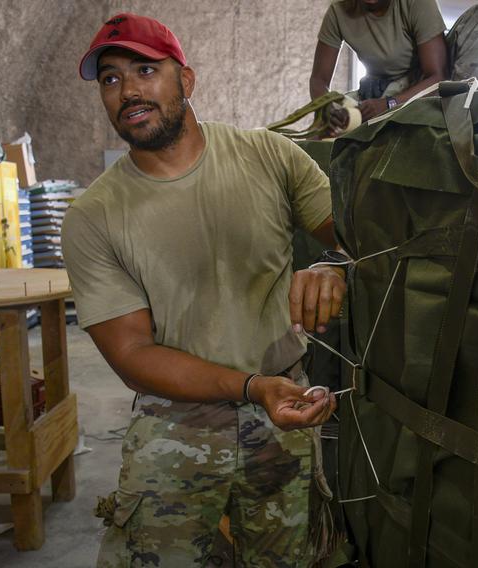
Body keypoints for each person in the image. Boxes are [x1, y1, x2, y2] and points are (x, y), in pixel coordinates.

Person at [64, 12, 346, 567]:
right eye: (111, 79)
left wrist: (335, 266)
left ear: (186, 82)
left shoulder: (270, 157)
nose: (127, 91)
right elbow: (133, 353)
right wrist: (248, 386)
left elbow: (363, 241)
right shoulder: (93, 216)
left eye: (145, 70)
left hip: (283, 414)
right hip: (174, 431)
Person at [309, 0, 478, 132]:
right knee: (323, 135)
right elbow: (319, 80)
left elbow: (438, 76)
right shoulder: (338, 11)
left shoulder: (415, 2)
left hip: (434, 85)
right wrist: (328, 109)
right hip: (383, 88)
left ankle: (471, 116)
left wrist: (390, 104)